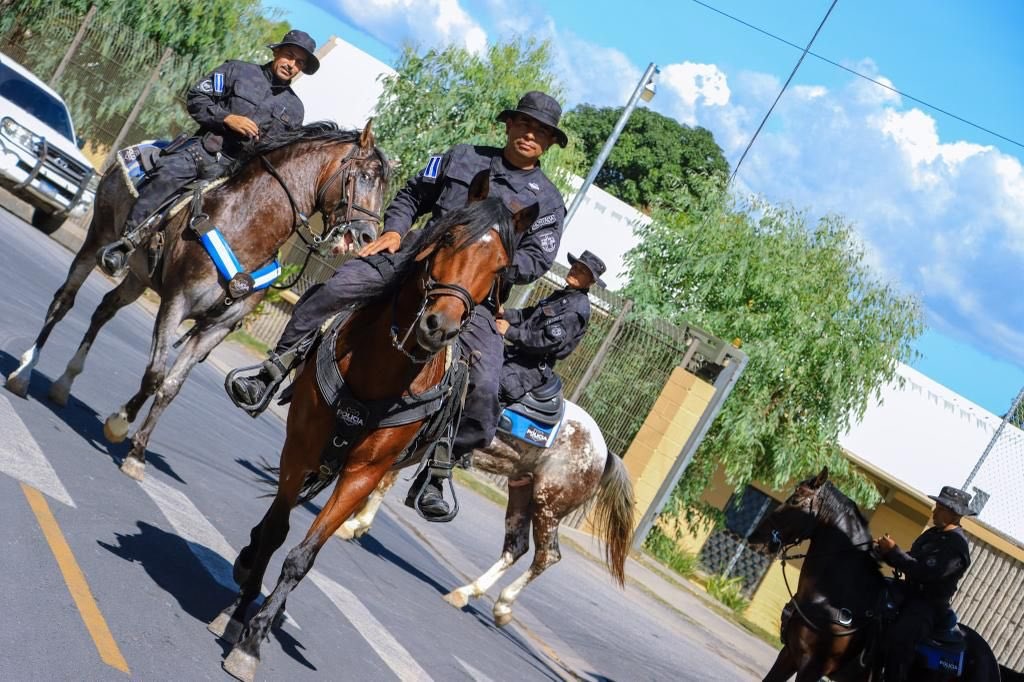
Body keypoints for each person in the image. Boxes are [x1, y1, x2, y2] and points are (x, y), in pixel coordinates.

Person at [228, 91, 570, 518]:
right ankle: (272, 369)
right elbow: (412, 194)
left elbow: (536, 259)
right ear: (509, 125)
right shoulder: (461, 157)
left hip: (471, 295)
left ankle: (439, 467)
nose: (530, 134)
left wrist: (482, 266)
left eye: (541, 131)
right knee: (335, 288)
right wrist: (394, 230)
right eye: (524, 123)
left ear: (550, 143)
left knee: (485, 383)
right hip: (413, 263)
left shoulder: (549, 203)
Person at [97, 30, 319, 276]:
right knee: (166, 175)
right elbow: (196, 98)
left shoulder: (295, 110)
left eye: (299, 63)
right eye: (289, 56)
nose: (292, 65)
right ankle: (125, 245)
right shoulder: (237, 71)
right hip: (202, 153)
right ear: (276, 52)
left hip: (238, 177)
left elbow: (279, 156)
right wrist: (228, 118)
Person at [875, 485, 975, 682]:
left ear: (955, 515)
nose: (934, 511)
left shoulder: (957, 546)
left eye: (941, 508)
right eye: (937, 505)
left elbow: (925, 572)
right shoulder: (932, 534)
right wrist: (883, 552)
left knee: (901, 638)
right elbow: (910, 559)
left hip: (927, 606)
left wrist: (893, 551)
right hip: (907, 591)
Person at [496, 250, 605, 404]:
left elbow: (546, 342)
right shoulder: (565, 296)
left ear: (591, 282)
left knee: (489, 385)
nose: (575, 270)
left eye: (582, 271)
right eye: (576, 266)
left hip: (530, 369)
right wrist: (504, 314)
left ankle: (479, 428)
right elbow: (531, 315)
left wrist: (509, 331)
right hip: (518, 355)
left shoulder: (577, 309)